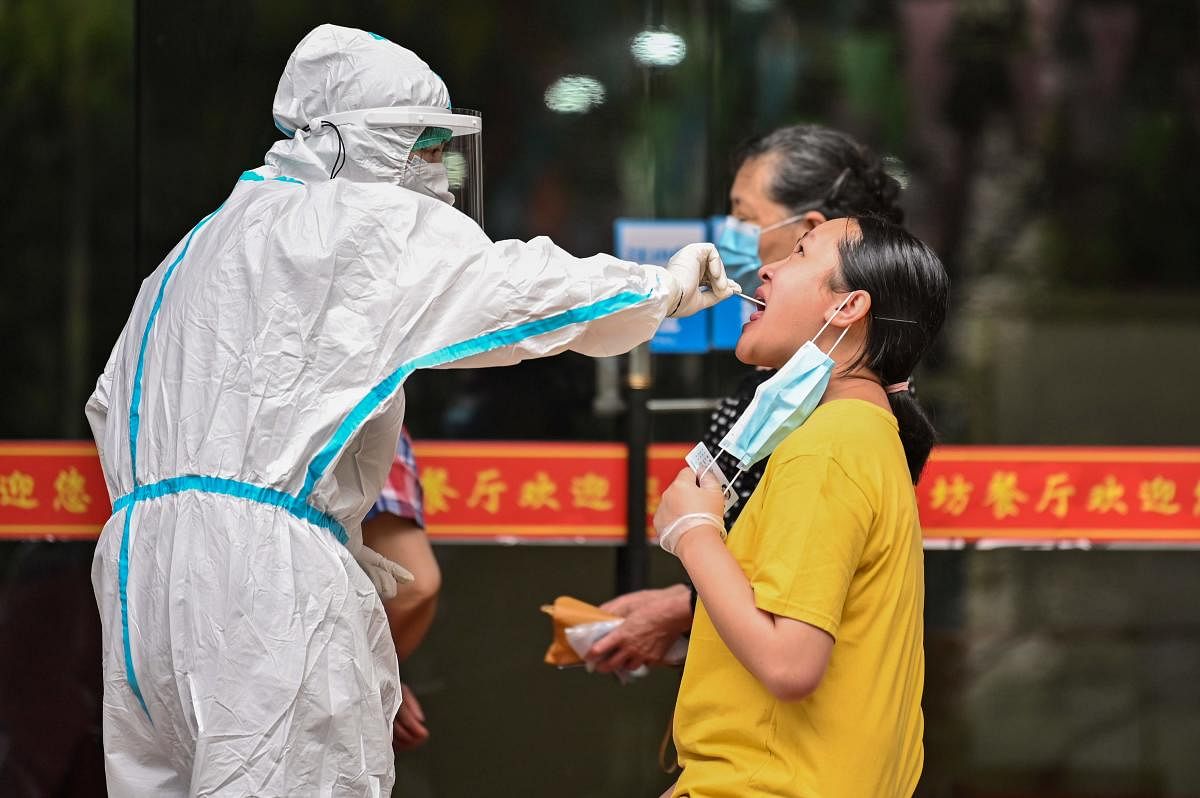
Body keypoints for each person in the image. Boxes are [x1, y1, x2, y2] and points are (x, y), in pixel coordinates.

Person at [84, 24, 737, 796]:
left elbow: (108, 402)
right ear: (342, 140)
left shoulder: (190, 253)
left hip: (135, 575)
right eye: (415, 143)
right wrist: (661, 289)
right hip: (262, 578)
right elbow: (513, 290)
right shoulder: (351, 221)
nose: (433, 168)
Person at [588, 125, 905, 674]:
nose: (752, 258)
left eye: (743, 216)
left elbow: (793, 643)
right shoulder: (786, 388)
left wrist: (689, 546)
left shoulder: (834, 432)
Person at [653, 216, 949, 796]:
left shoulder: (831, 445)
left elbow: (790, 664)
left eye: (799, 254)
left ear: (847, 308)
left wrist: (693, 532)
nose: (765, 268)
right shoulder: (865, 435)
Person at [359, 427, 439, 751]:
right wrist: (374, 677)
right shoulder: (364, 404)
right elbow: (414, 587)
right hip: (314, 679)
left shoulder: (200, 404)